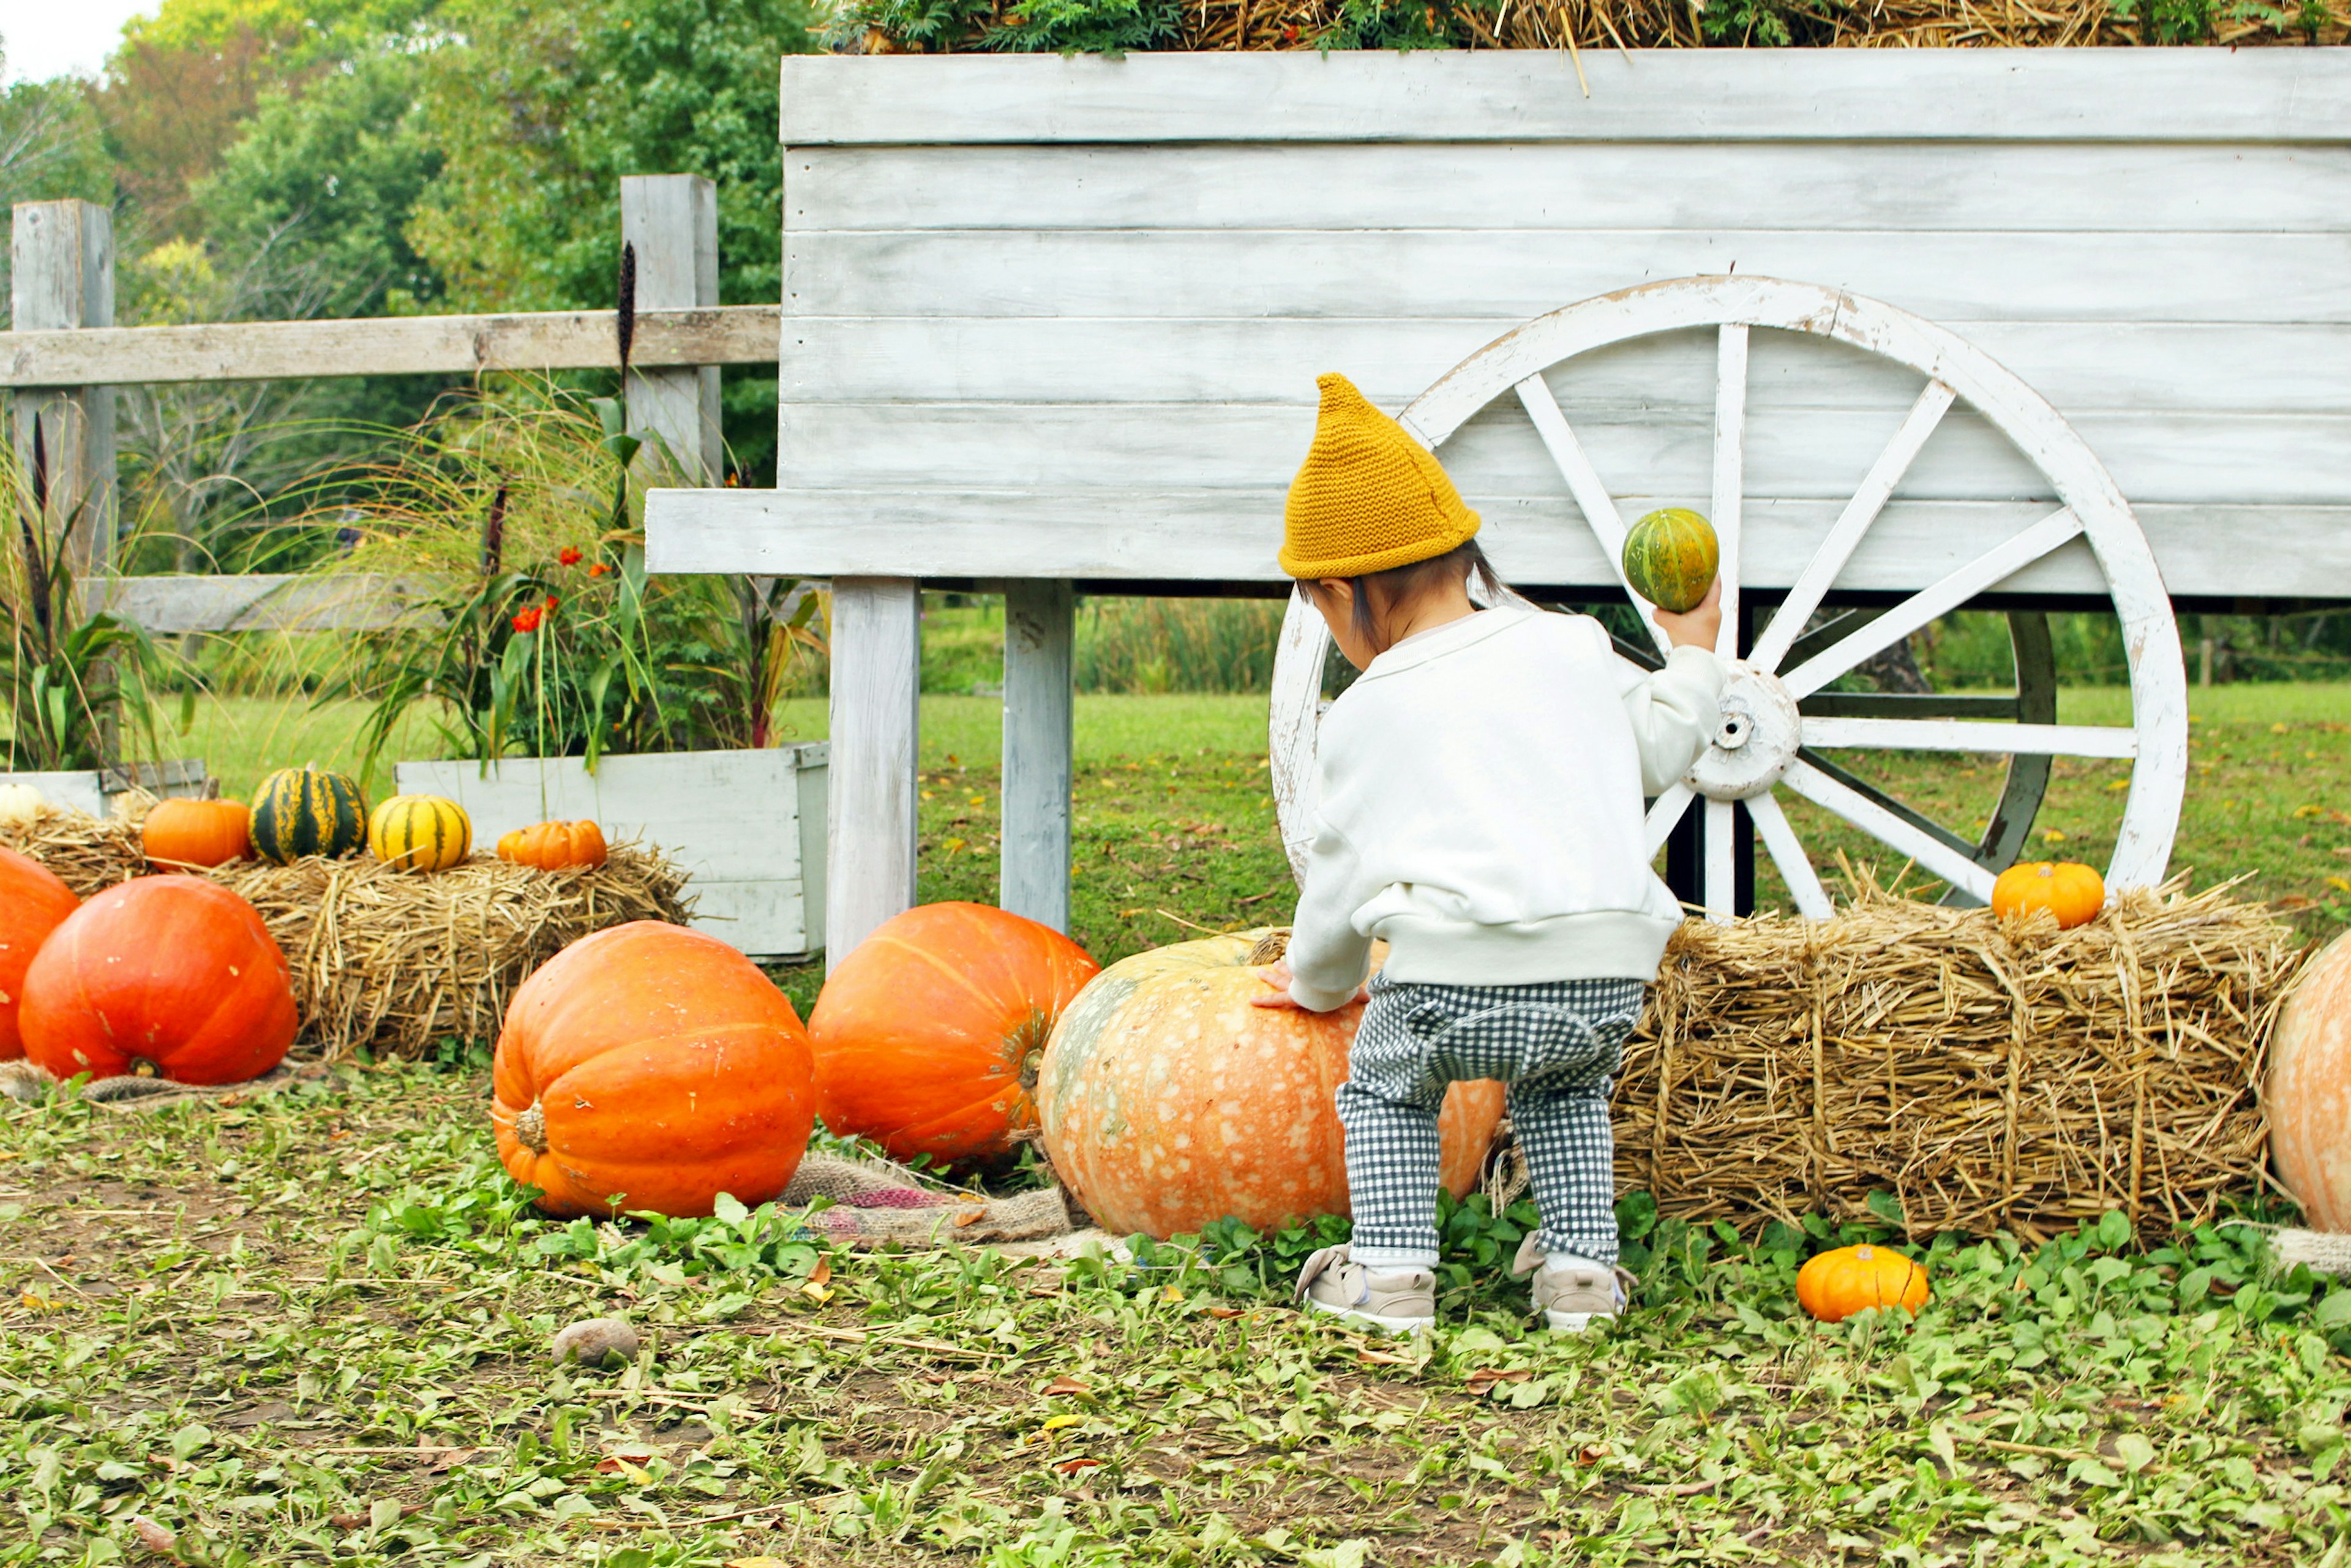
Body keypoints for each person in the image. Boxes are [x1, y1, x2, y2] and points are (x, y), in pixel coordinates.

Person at [1252, 373, 1725, 1335]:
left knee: (1387, 1093)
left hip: (1447, 987)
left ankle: (1388, 1281)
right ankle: (1583, 1278)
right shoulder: (1575, 646)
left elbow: (1341, 879)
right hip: (1601, 977)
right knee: (1561, 1092)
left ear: (1339, 596)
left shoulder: (1371, 710)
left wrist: (1314, 982)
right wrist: (1695, 650)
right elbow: (1668, 741)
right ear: (1463, 555)